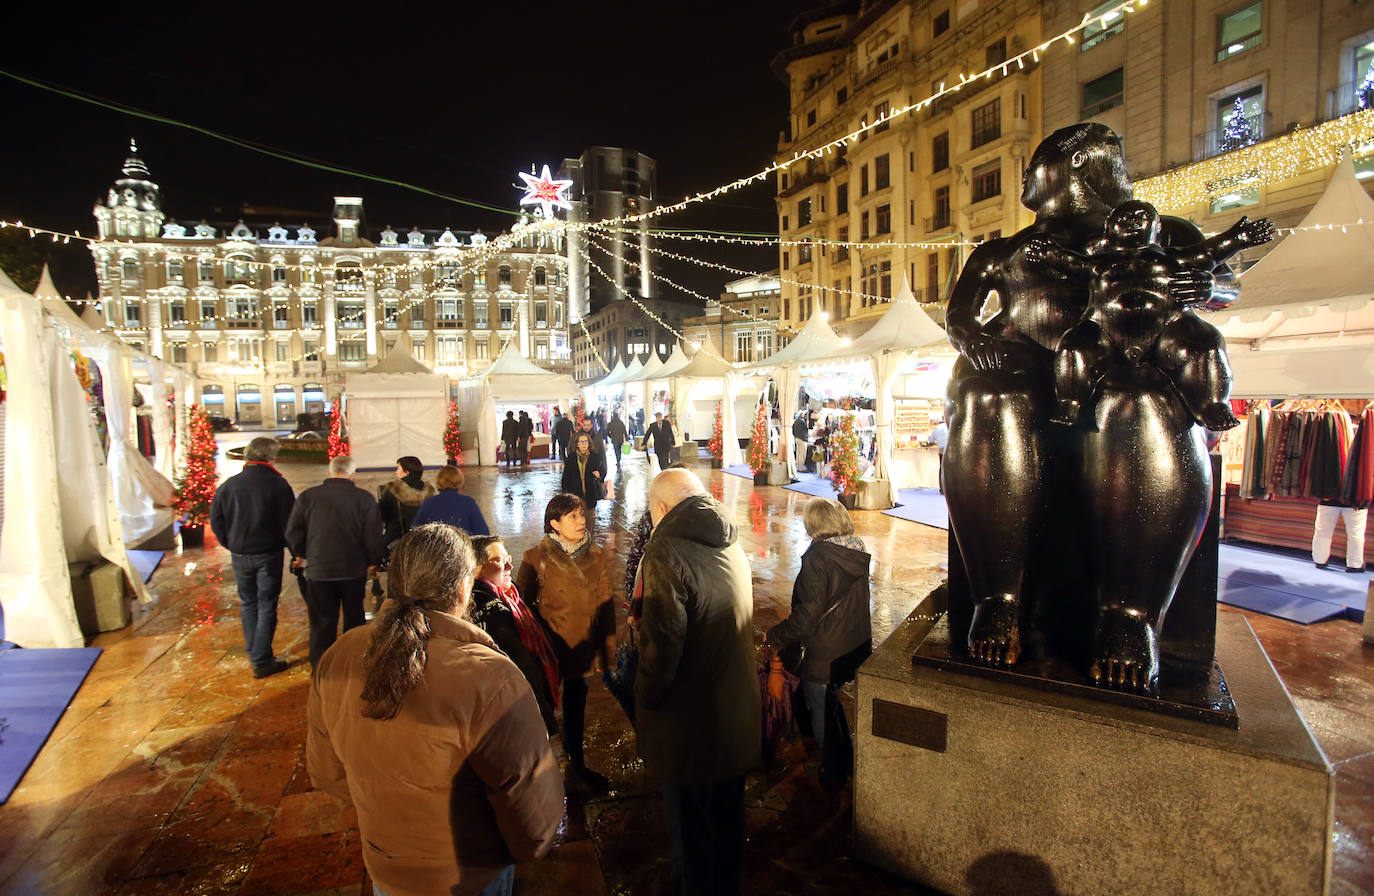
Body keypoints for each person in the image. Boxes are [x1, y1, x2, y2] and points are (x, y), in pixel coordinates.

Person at [944, 122, 1227, 692]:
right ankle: (997, 598)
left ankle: (1131, 616)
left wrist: (1200, 284)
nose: (1025, 178)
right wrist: (975, 343)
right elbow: (959, 316)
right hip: (1022, 366)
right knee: (988, 397)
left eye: (1035, 167)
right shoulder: (1005, 250)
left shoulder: (1158, 230)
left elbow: (1222, 280)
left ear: (1075, 166)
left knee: (1137, 399)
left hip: (1124, 358)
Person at [308, 523, 564, 896]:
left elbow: (327, 774)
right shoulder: (489, 676)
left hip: (386, 869)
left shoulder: (339, 657)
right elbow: (532, 811)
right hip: (471, 873)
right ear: (463, 586)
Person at [1023, 200, 1272, 429]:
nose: (1132, 221)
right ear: (1109, 229)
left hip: (1168, 327)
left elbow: (1209, 254)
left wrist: (1236, 239)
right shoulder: (1099, 261)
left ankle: (1212, 404)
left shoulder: (1172, 255)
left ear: (1156, 228)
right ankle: (1070, 401)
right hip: (1105, 329)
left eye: (1140, 216)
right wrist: (1048, 253)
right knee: (1073, 348)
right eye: (1124, 218)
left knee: (1206, 345)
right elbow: (1072, 263)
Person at [636, 469, 760, 895]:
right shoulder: (728, 537)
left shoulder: (665, 550)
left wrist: (643, 697)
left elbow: (661, 651)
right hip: (736, 717)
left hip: (692, 728)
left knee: (692, 842)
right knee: (727, 830)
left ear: (662, 509)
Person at [765, 498, 872, 784]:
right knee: (833, 706)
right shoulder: (855, 550)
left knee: (822, 710)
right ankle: (846, 761)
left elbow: (805, 619)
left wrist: (775, 635)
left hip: (826, 652)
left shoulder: (819, 559)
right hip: (853, 644)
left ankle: (832, 770)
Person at [515, 493, 616, 794]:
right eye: (572, 516)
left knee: (576, 714)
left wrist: (607, 655)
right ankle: (536, 771)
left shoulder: (595, 555)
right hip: (550, 651)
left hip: (582, 651)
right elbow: (522, 609)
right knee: (541, 712)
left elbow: (606, 605)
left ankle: (577, 768)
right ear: (554, 524)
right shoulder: (536, 557)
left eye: (582, 514)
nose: (581, 521)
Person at [286, 455, 387, 669]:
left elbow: (293, 532)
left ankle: (322, 669)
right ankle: (352, 665)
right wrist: (373, 560)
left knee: (322, 623)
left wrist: (305, 555)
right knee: (354, 619)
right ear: (352, 475)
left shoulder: (308, 497)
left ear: (329, 473)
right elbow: (373, 536)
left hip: (319, 571)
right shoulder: (364, 499)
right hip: (352, 570)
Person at [209, 436, 296, 678]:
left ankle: (254, 649)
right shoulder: (278, 485)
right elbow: (289, 523)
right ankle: (261, 660)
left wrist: (230, 543)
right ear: (270, 457)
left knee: (248, 603)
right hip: (268, 554)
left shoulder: (229, 485)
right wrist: (295, 551)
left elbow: (216, 520)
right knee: (267, 604)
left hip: (240, 554)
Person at [470, 535, 560, 734]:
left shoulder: (511, 595)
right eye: (500, 561)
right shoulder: (493, 613)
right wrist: (544, 718)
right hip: (520, 717)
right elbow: (523, 668)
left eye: (508, 557)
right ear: (476, 569)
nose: (510, 565)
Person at [378, 456, 435, 553]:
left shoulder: (392, 491)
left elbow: (381, 515)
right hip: (425, 540)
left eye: (398, 468)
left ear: (406, 472)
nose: (396, 472)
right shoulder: (429, 492)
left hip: (396, 540)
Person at [412, 465, 490, 535]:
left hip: (436, 549)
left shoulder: (428, 503)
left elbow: (414, 532)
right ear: (460, 481)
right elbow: (483, 533)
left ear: (438, 481)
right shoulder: (468, 502)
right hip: (463, 548)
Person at [562, 432, 607, 508]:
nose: (584, 444)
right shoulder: (571, 458)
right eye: (581, 442)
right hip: (575, 496)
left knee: (590, 518)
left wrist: (599, 474)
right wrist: (566, 494)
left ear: (589, 443)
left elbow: (602, 470)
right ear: (577, 444)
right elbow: (566, 477)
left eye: (586, 441)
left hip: (590, 495)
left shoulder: (595, 457)